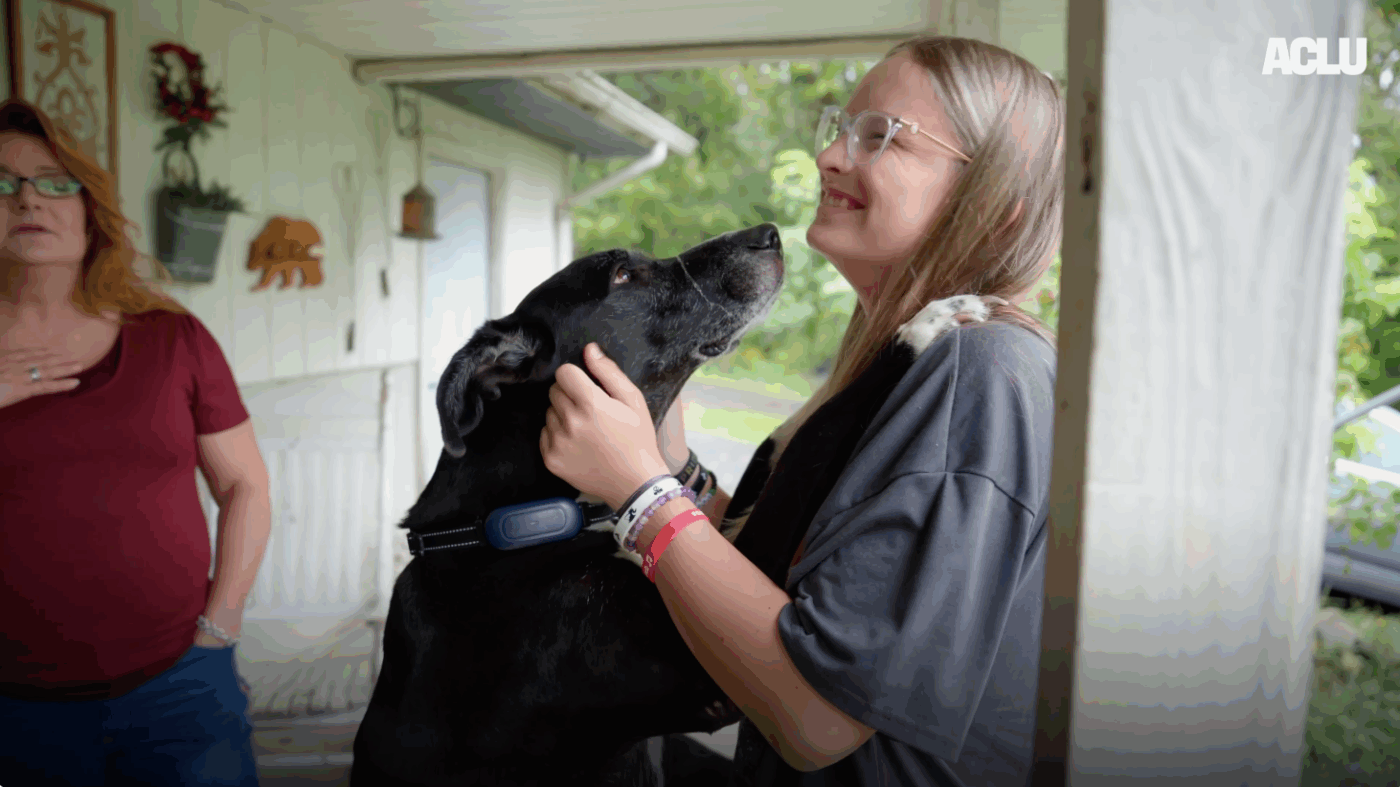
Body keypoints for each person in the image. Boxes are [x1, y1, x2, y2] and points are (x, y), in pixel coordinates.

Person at [539, 35, 1062, 786]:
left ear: (996, 214)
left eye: (881, 136)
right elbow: (782, 590)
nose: (830, 157)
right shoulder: (907, 363)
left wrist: (639, 495)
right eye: (842, 128)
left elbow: (819, 717)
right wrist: (672, 469)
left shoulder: (979, 372)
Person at [0, 99, 270, 786]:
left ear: (90, 206)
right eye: (1, 181)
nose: (27, 196)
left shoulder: (170, 335)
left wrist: (220, 633)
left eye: (53, 180)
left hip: (180, 684)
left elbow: (245, 485)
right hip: (14, 707)